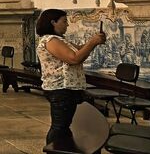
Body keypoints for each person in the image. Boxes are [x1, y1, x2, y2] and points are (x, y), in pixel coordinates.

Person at [36, 9, 106, 145]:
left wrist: (94, 41)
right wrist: (92, 43)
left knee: (64, 126)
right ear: (53, 22)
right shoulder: (51, 40)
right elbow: (73, 59)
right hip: (61, 88)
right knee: (59, 127)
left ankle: (63, 148)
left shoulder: (59, 39)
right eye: (64, 21)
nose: (67, 25)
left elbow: (79, 50)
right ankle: (53, 150)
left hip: (66, 88)